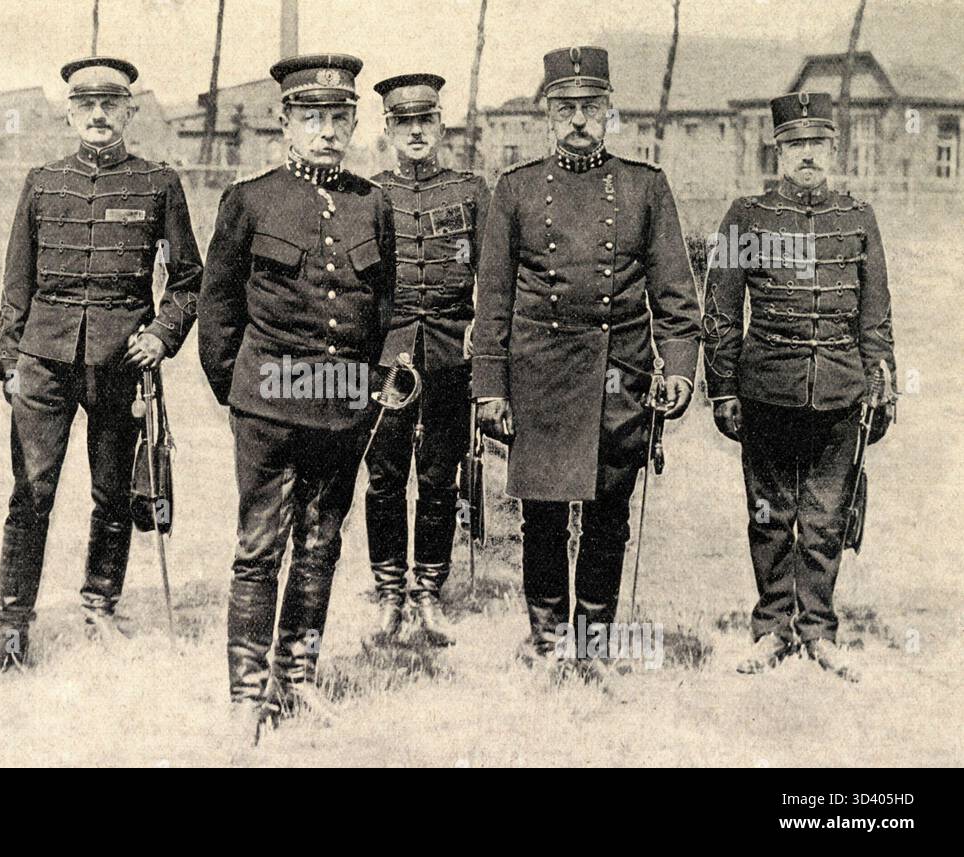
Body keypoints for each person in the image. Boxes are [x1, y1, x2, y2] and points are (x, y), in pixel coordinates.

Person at [469, 46, 701, 669]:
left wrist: (678, 368)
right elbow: (491, 299)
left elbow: (676, 294)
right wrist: (490, 385)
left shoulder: (644, 187)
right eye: (565, 108)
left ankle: (594, 639)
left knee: (607, 513)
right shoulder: (514, 190)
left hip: (618, 373)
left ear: (609, 112)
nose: (577, 120)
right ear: (548, 114)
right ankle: (546, 638)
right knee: (542, 515)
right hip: (538, 371)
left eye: (590, 107)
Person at [0, 56, 202, 671]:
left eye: (111, 105)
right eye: (85, 105)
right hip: (43, 359)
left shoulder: (159, 183)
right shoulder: (43, 181)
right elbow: (15, 278)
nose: (98, 116)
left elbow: (188, 281)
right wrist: (7, 360)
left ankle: (102, 605)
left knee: (112, 492)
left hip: (120, 357)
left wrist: (161, 334)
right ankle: (12, 624)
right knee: (31, 491)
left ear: (130, 111)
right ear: (69, 112)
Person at [198, 53, 396, 745]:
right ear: (285, 123)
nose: (326, 131)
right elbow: (218, 310)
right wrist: (241, 392)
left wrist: (370, 389)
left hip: (341, 408)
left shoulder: (373, 203)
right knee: (259, 548)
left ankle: (298, 675)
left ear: (353, 123)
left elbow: (385, 304)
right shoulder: (250, 200)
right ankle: (247, 693)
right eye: (312, 117)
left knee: (320, 544)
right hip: (270, 407)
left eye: (339, 117)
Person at [702, 91, 897, 683]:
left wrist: (881, 383)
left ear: (831, 149)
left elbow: (876, 314)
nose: (807, 155)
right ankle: (771, 628)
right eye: (795, 145)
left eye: (817, 144)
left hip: (840, 391)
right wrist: (723, 388)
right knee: (768, 514)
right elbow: (720, 310)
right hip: (767, 391)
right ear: (778, 150)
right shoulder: (745, 216)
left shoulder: (859, 218)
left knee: (827, 517)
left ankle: (818, 630)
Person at [364, 73, 488, 646]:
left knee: (441, 477)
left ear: (440, 126)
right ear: (388, 129)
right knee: (386, 475)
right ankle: (389, 590)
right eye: (403, 123)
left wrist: (480, 338)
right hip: (387, 359)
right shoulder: (369, 194)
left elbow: (498, 278)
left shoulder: (470, 192)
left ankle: (429, 591)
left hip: (448, 354)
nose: (415, 132)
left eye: (426, 121)